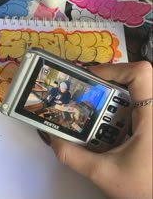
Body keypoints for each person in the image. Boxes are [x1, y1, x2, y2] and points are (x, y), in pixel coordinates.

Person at [38, 61, 153, 199]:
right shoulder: (58, 92)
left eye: (63, 86)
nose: (62, 88)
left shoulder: (71, 96)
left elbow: (71, 104)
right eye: (61, 86)